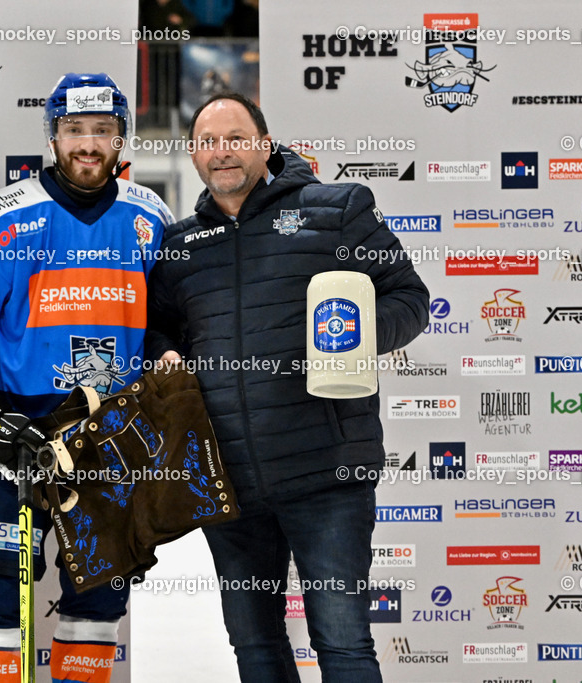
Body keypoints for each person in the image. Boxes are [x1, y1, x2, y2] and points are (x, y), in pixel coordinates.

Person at [146, 92, 429, 682]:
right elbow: (159, 330)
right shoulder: (179, 247)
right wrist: (164, 354)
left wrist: (354, 336)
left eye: (235, 138)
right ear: (194, 156)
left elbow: (409, 298)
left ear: (264, 144)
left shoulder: (337, 210)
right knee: (255, 648)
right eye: (207, 142)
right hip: (228, 484)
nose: (221, 152)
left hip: (326, 474)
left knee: (343, 644)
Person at [0, 73, 172, 683]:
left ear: (121, 138)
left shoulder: (153, 219)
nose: (88, 144)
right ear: (52, 136)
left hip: (110, 440)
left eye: (103, 131)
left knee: (97, 609)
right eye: (74, 130)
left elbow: (174, 322)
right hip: (13, 436)